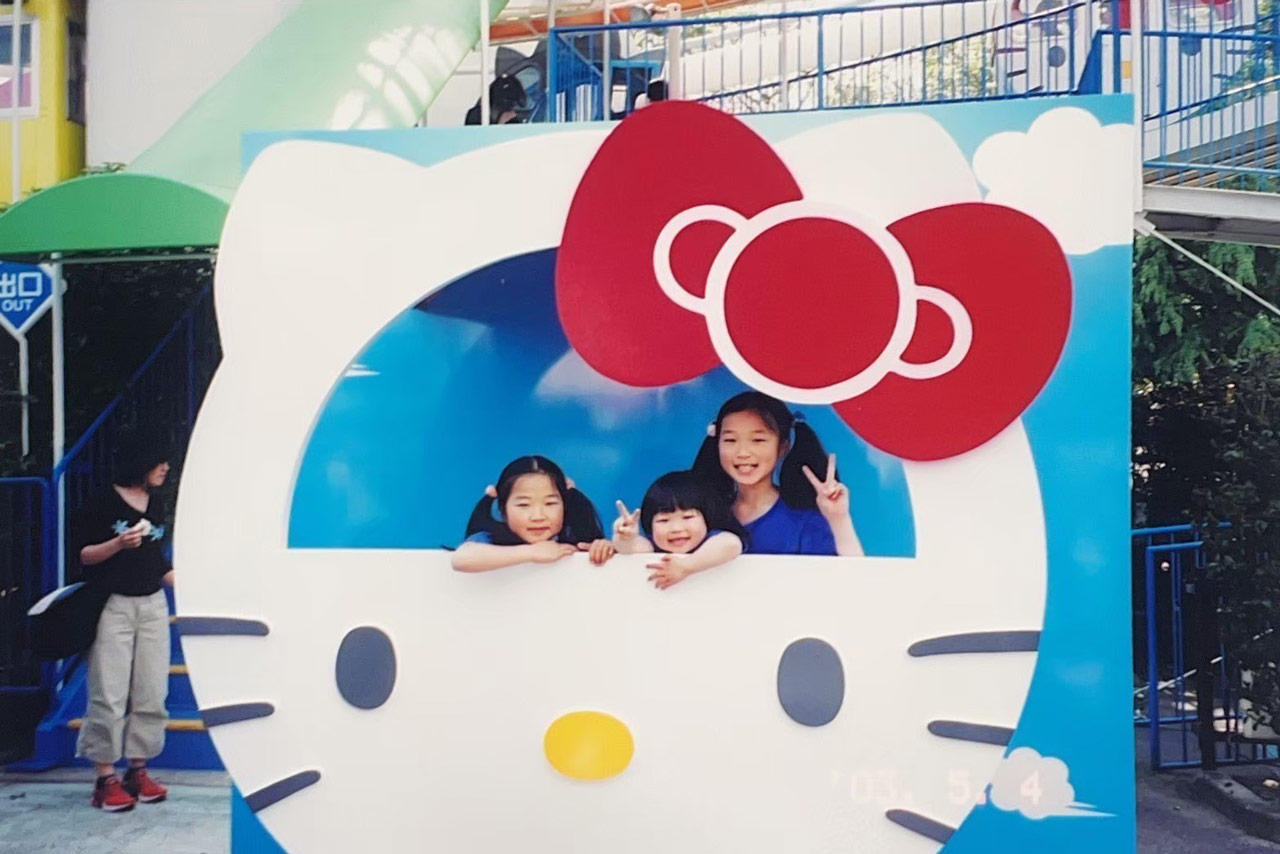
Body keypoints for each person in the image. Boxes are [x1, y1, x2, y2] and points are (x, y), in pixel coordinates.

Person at [73, 430, 175, 812]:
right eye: (159, 461)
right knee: (109, 691)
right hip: (113, 604)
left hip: (153, 604)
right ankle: (105, 777)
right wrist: (118, 544)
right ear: (141, 461)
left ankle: (138, 769)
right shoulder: (102, 501)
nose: (165, 467)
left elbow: (158, 562)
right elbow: (84, 555)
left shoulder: (157, 502)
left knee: (152, 689)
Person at [691, 391, 864, 556]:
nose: (743, 452)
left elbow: (851, 575)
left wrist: (839, 518)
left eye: (758, 440)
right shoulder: (698, 517)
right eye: (730, 440)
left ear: (783, 447)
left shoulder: (804, 522)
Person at [451, 455, 616, 572]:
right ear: (502, 510)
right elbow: (461, 558)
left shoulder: (577, 541)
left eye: (550, 503)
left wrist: (605, 549)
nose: (538, 516)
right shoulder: (489, 539)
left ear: (565, 505)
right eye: (524, 505)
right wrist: (532, 552)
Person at [612, 470, 746, 589]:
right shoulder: (653, 545)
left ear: (706, 519)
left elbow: (732, 544)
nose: (676, 528)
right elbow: (631, 547)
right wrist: (625, 536)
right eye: (664, 520)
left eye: (687, 517)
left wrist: (686, 566)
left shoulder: (710, 542)